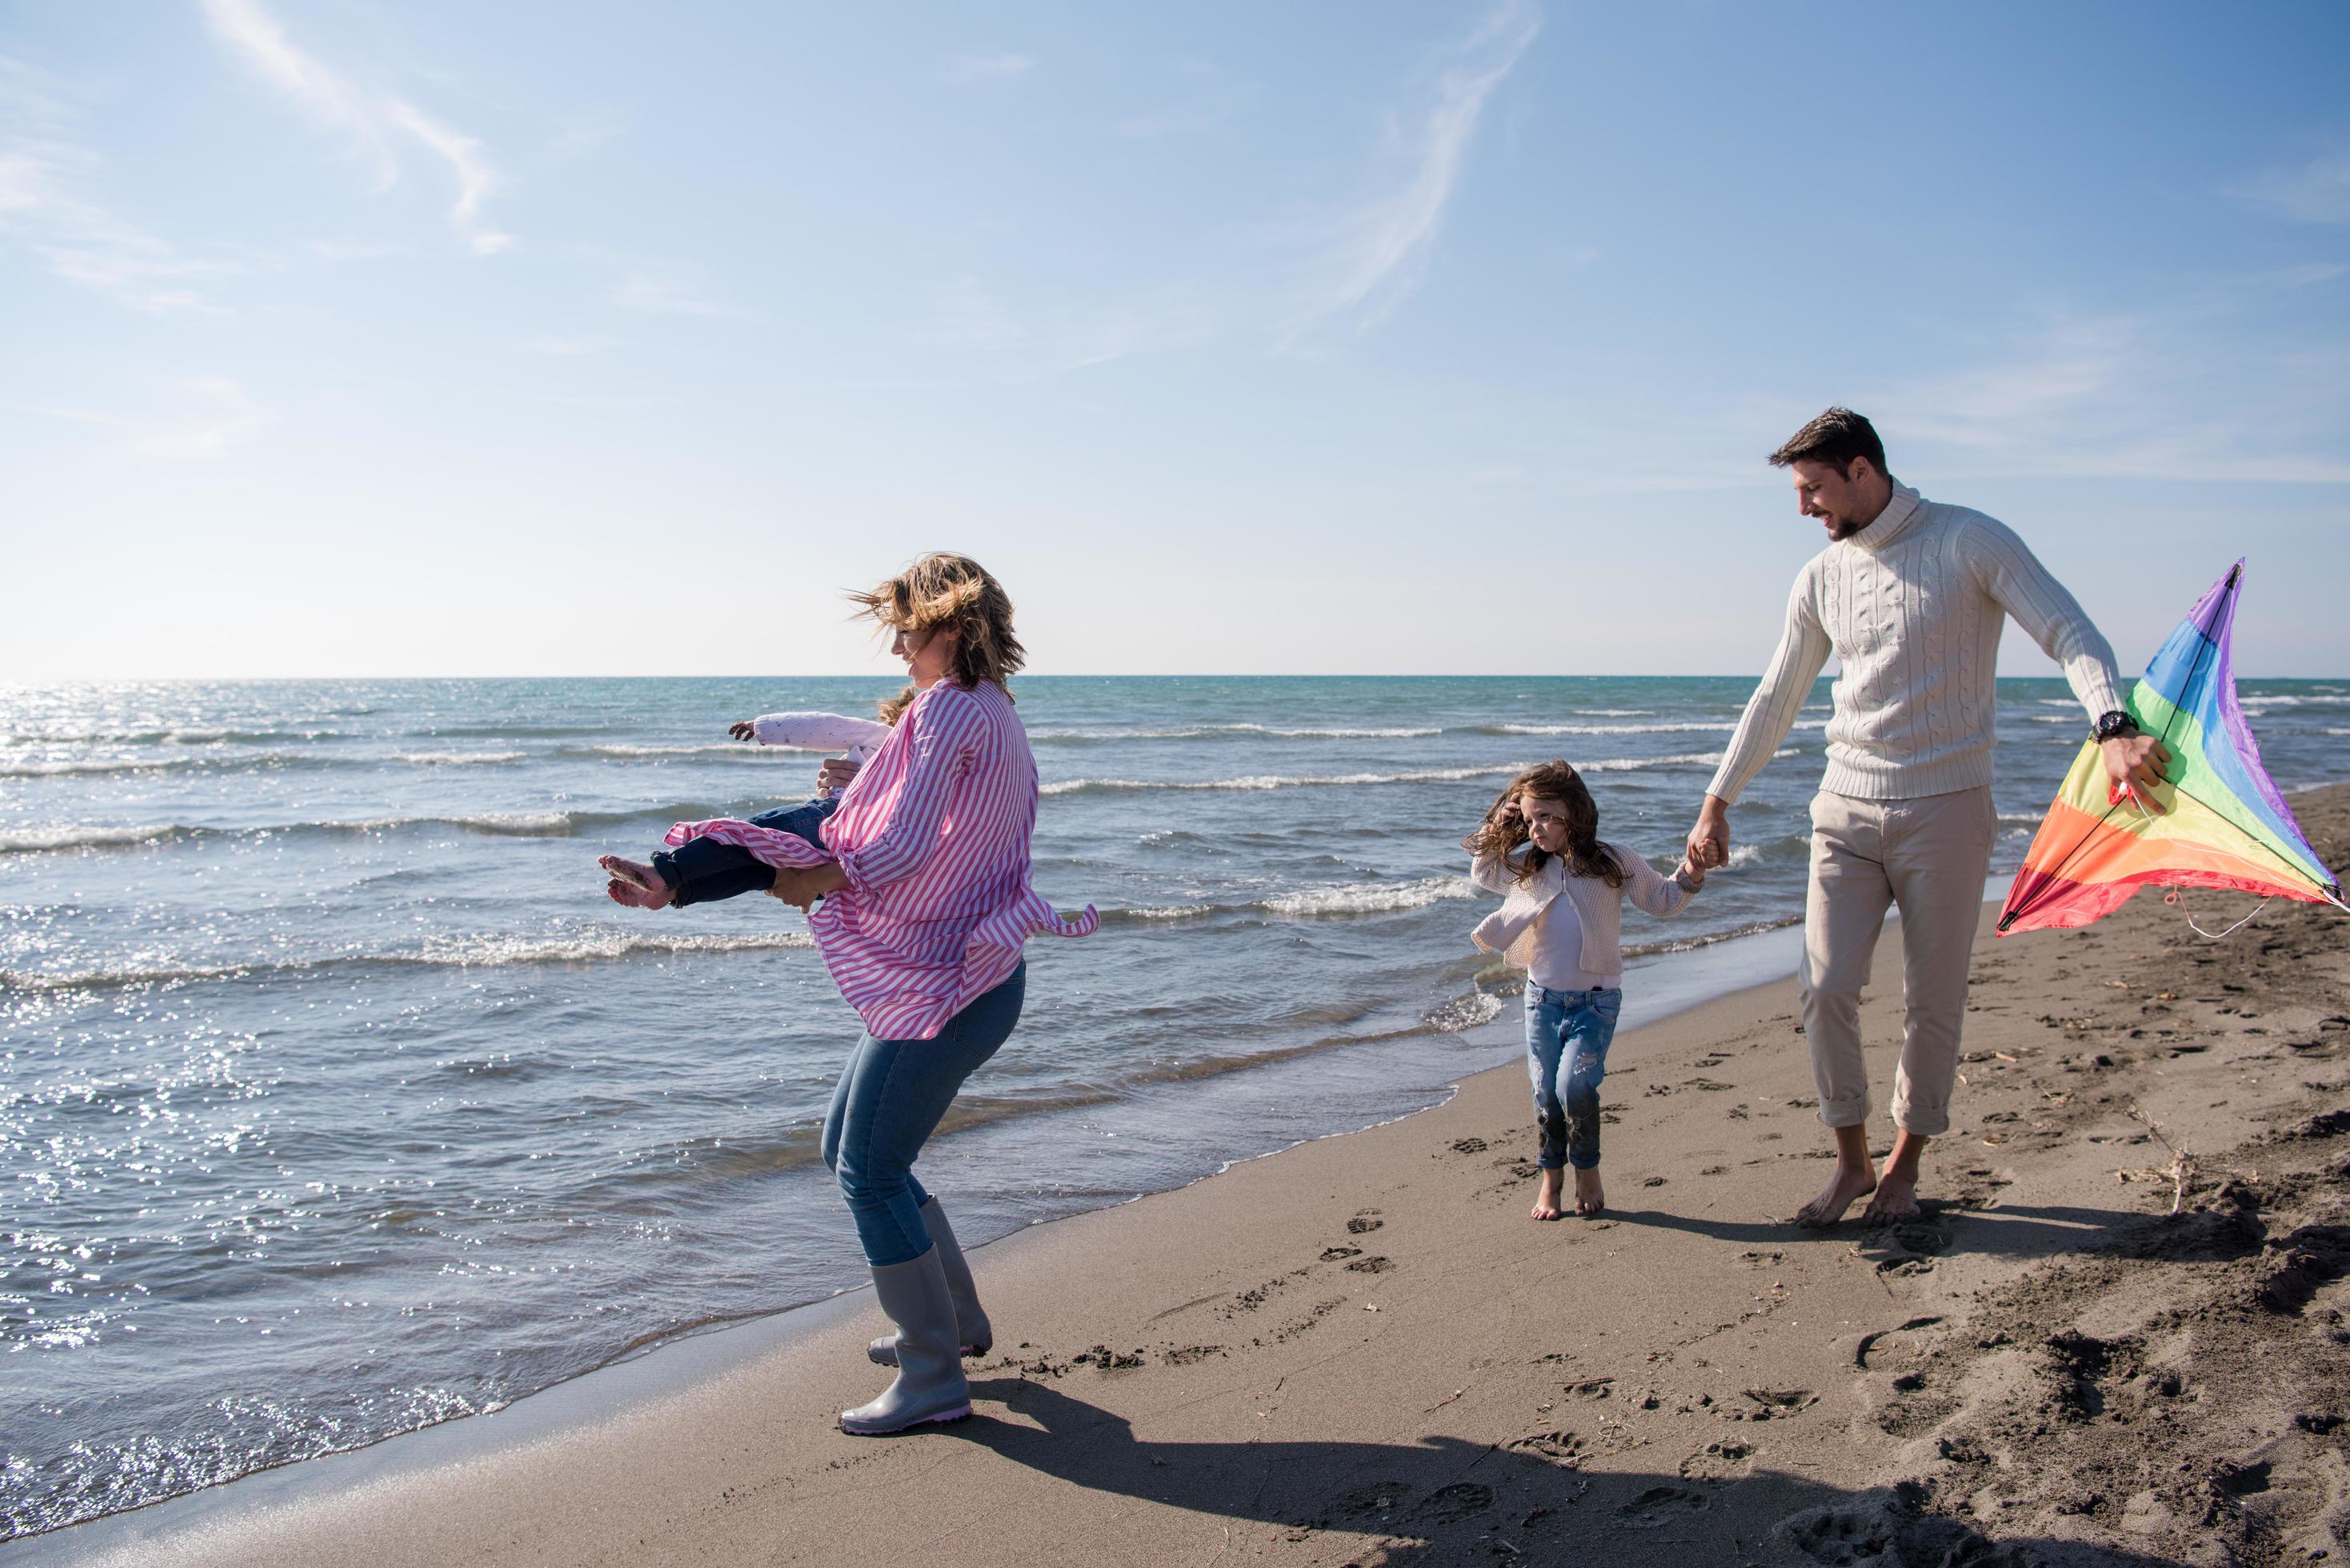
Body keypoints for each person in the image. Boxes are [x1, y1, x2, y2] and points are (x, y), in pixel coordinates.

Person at [1684, 408, 2171, 1227]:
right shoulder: (1820, 577)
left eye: (1812, 490)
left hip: (1946, 808)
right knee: (1825, 985)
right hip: (1844, 807)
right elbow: (1777, 695)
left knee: (1932, 999)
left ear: (1863, 470)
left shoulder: (1969, 540)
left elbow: (2067, 627)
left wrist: (2112, 723)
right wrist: (1716, 801)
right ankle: (1851, 1164)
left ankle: (1905, 1169)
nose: (1805, 510)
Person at [668, 553, 1098, 1434]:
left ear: (953, 622)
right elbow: (933, 828)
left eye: (909, 624)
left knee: (867, 1169)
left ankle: (933, 1369)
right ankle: (956, 1323)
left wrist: (818, 874)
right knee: (848, 1148)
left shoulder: (947, 706)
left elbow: (899, 850)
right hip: (975, 975)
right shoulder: (991, 710)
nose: (899, 645)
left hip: (950, 985)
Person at [1466, 761, 1707, 1220]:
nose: (1536, 828)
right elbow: (1484, 872)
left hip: (1596, 1002)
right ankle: (1550, 1178)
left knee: (1575, 1087)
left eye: (1546, 816)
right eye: (1530, 818)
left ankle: (1587, 1169)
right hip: (1542, 1001)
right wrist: (1500, 822)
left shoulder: (1613, 861)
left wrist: (1691, 870)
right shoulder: (1528, 866)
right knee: (1546, 1095)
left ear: (1575, 813)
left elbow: (1662, 900)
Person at [598, 710, 894, 910]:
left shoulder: (885, 735)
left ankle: (666, 872)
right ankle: (677, 891)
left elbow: (828, 727)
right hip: (859, 851)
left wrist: (764, 727)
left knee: (744, 837)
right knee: (760, 870)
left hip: (832, 816)